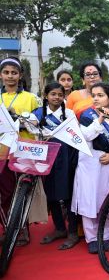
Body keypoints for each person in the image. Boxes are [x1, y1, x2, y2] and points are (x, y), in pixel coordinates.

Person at [71, 83, 109, 254]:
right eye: (93, 95)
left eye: (100, 95)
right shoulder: (86, 116)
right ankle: (92, 238)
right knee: (89, 200)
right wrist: (100, 119)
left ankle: (107, 236)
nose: (96, 98)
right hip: (88, 164)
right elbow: (86, 135)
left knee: (106, 199)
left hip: (107, 164)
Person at [28, 83, 79, 250]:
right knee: (51, 194)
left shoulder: (69, 114)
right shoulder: (38, 113)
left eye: (59, 94)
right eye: (53, 94)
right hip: (47, 158)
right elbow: (29, 126)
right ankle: (59, 228)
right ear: (46, 95)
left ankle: (72, 232)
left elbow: (75, 135)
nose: (56, 97)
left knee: (69, 194)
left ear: (64, 96)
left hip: (66, 158)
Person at [0, 57, 39, 246]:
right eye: (6, 72)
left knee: (23, 189)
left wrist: (23, 121)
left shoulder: (30, 98)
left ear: (20, 75)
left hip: (24, 150)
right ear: (1, 75)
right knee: (5, 192)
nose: (10, 76)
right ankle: (8, 227)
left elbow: (38, 122)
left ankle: (22, 228)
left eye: (14, 73)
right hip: (1, 151)